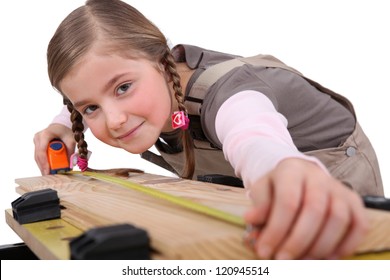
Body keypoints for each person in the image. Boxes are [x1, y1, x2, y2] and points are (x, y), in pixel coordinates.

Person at [33, 0, 383, 260]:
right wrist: (62, 124)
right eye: (90, 108)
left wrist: (283, 170)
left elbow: (253, 138)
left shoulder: (231, 97)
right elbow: (90, 87)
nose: (114, 120)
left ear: (161, 60)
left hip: (328, 174)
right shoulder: (138, 80)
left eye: (123, 88)